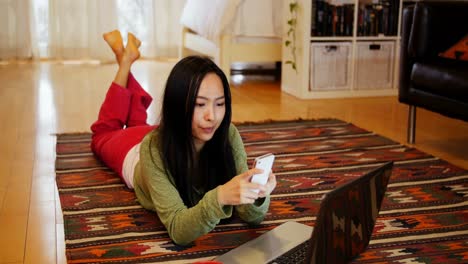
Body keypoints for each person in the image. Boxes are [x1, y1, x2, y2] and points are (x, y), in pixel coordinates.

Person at [90, 30, 277, 246]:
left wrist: (259, 194)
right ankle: (124, 64)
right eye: (200, 104)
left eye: (220, 103)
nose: (212, 117)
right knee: (104, 132)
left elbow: (253, 216)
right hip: (134, 153)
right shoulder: (153, 148)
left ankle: (126, 59)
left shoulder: (227, 133)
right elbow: (179, 230)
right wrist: (221, 197)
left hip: (171, 132)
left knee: (137, 124)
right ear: (178, 105)